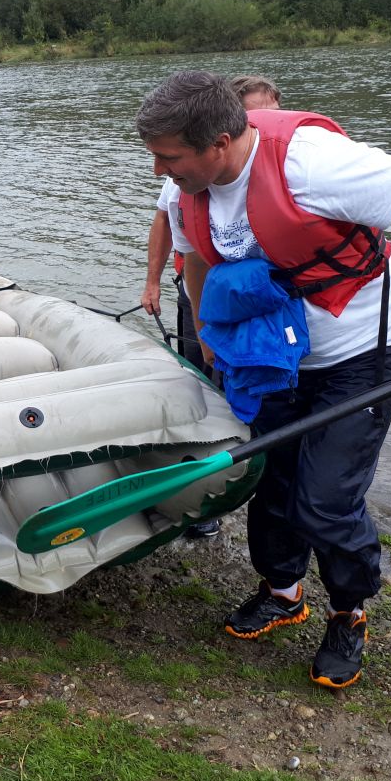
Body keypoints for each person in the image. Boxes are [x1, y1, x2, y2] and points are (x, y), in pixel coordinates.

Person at [135, 71, 391, 688]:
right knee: (270, 477)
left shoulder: (314, 165)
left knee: (326, 499)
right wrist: (212, 342)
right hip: (274, 355)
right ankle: (284, 593)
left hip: (364, 350)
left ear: (219, 142)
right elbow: (197, 259)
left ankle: (349, 611)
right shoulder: (185, 187)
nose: (157, 172)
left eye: (168, 158)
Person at [140, 77, 280, 539]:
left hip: (260, 307)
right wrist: (153, 283)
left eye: (270, 111)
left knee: (254, 388)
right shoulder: (187, 181)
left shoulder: (282, 165)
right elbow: (171, 230)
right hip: (202, 296)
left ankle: (249, 468)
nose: (263, 122)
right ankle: (203, 483)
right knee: (202, 377)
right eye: (254, 113)